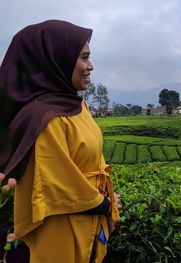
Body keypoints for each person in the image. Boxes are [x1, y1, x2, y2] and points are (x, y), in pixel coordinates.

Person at [0, 20, 121, 262]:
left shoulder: (78, 105)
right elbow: (59, 182)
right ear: (55, 59)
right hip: (61, 228)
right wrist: (105, 205)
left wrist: (107, 197)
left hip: (88, 219)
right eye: (84, 57)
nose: (91, 66)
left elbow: (92, 161)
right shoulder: (45, 118)